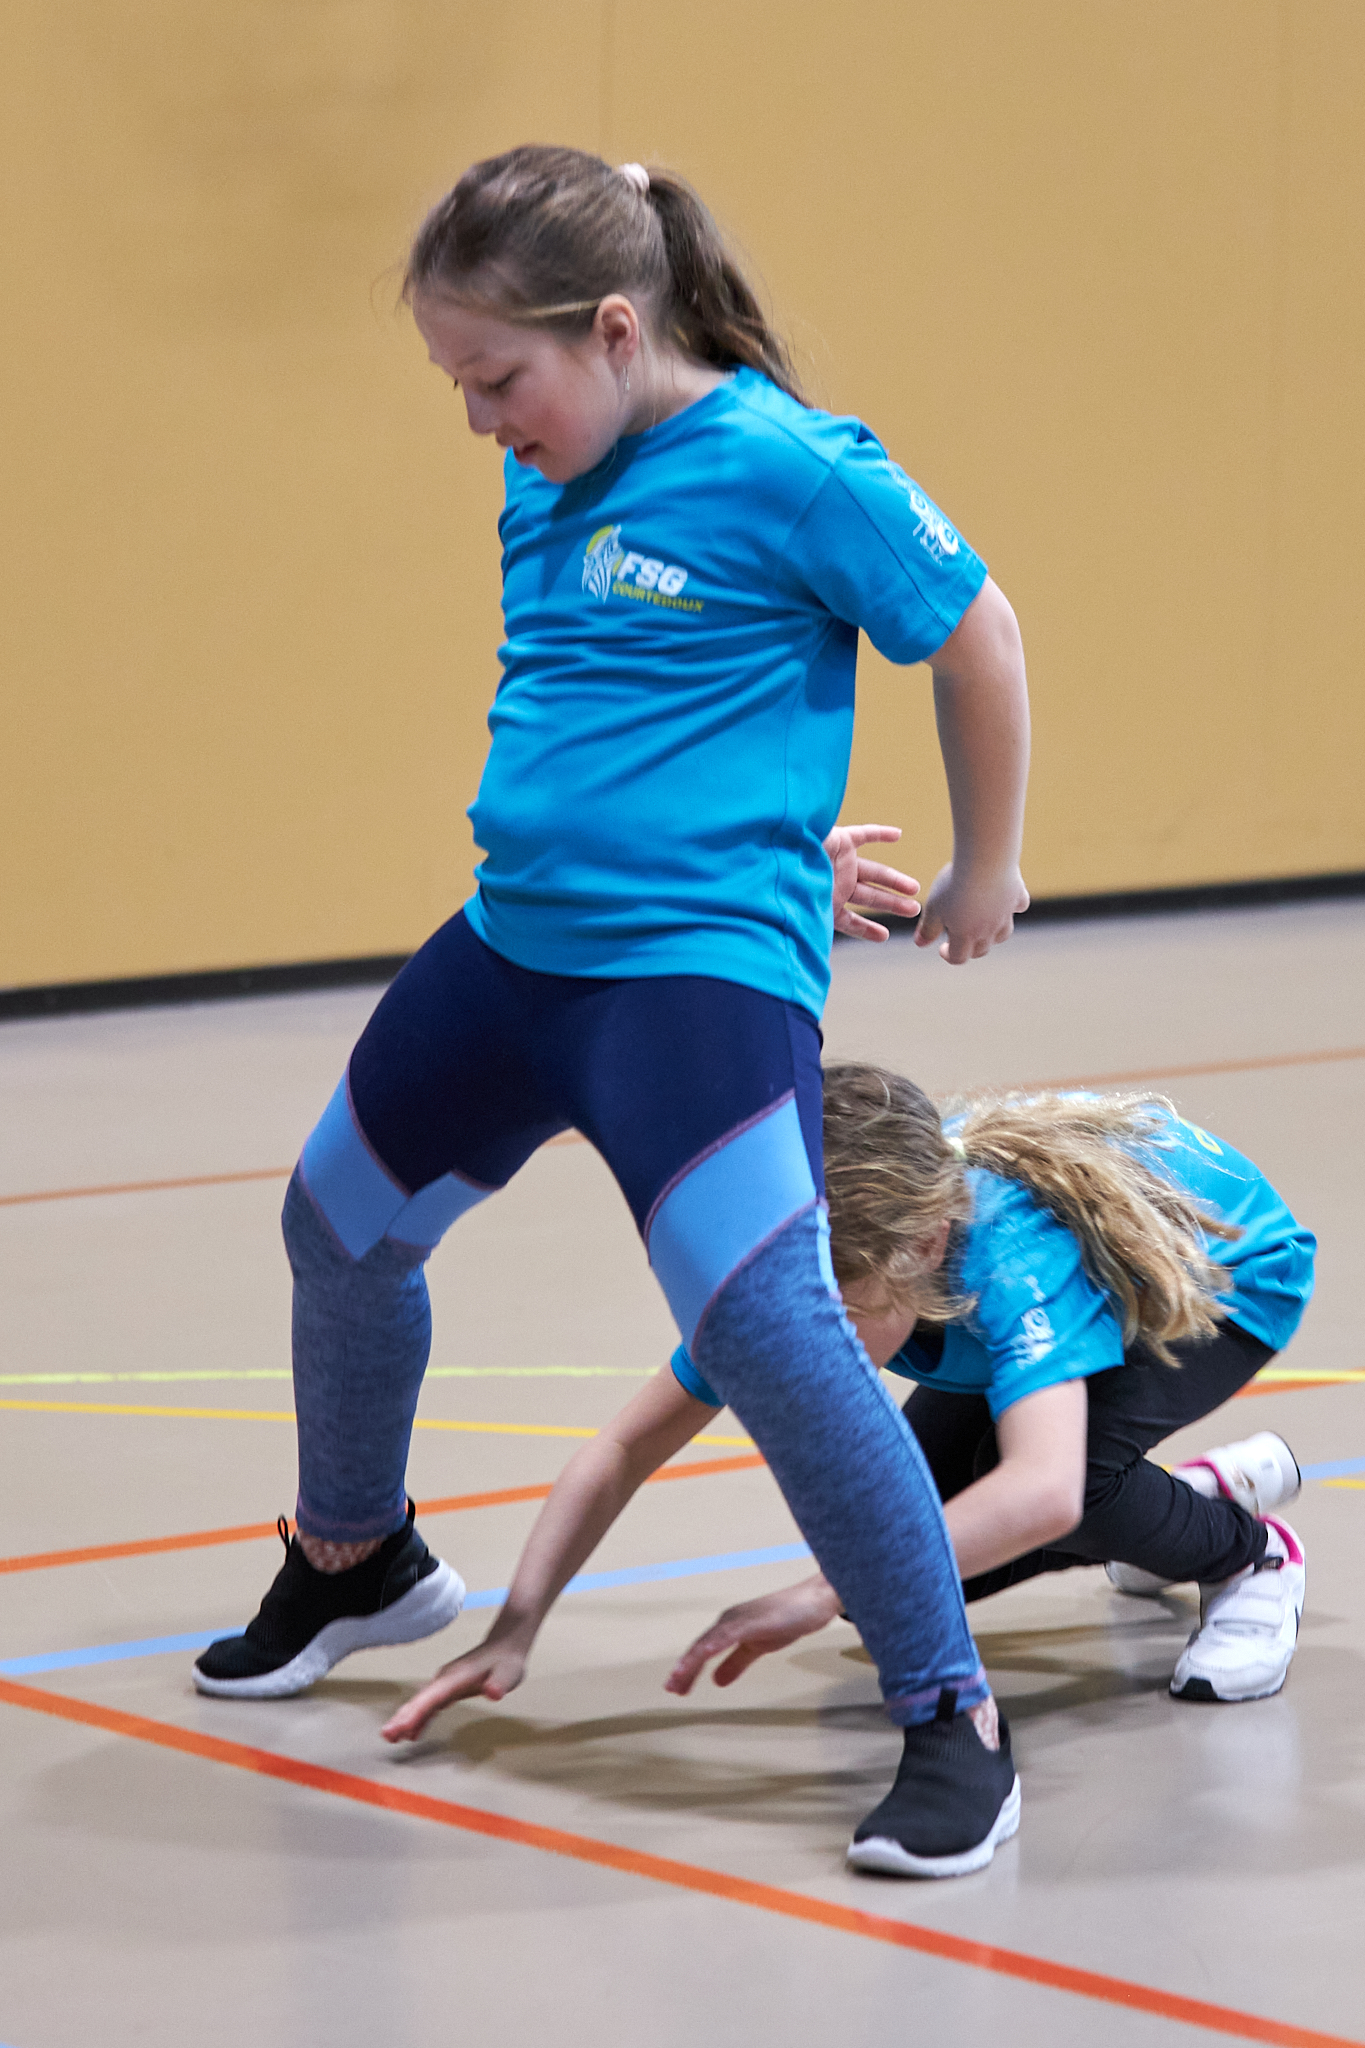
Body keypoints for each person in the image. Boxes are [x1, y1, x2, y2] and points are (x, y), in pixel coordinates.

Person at [192, 145, 1032, 1880]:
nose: (479, 418)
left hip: (691, 980)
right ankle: (356, 1559)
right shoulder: (550, 466)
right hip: (512, 952)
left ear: (618, 329)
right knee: (337, 1229)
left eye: (498, 378)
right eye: (455, 381)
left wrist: (983, 867)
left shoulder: (793, 465)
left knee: (769, 1331)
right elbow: (630, 697)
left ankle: (952, 1712)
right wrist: (772, 825)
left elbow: (981, 636)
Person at [380, 1073, 1314, 1845]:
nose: (806, 1339)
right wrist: (515, 1628)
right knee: (897, 1578)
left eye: (839, 1310)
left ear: (923, 1247)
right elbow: (626, 1445)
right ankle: (1179, 1508)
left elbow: (1042, 1492)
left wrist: (821, 1588)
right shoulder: (798, 1269)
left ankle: (1247, 1553)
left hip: (1218, 1286)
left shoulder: (1011, 1259)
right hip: (1010, 1313)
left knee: (1068, 1489)